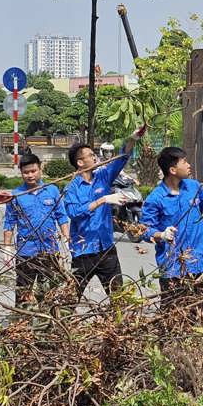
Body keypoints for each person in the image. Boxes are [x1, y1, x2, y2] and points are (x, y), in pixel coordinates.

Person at [141, 147, 203, 307]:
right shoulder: (155, 199)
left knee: (202, 307)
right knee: (173, 311)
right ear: (172, 170)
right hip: (173, 266)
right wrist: (161, 235)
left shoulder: (195, 187)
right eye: (184, 162)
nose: (189, 165)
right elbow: (145, 230)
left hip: (200, 261)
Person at [64, 125, 146, 299]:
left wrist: (132, 139)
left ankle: (118, 325)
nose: (95, 157)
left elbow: (122, 158)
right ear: (80, 162)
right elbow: (74, 213)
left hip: (107, 249)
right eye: (91, 156)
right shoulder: (72, 188)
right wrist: (102, 200)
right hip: (83, 251)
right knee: (70, 299)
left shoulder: (103, 176)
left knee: (119, 298)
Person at [3, 153, 70, 307]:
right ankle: (21, 326)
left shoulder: (52, 190)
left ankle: (46, 324)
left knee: (48, 292)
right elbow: (9, 222)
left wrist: (66, 237)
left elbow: (61, 216)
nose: (30, 175)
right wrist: (6, 247)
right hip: (25, 251)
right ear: (21, 173)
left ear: (40, 170)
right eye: (26, 172)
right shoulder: (16, 195)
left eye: (33, 171)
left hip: (49, 250)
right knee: (23, 294)